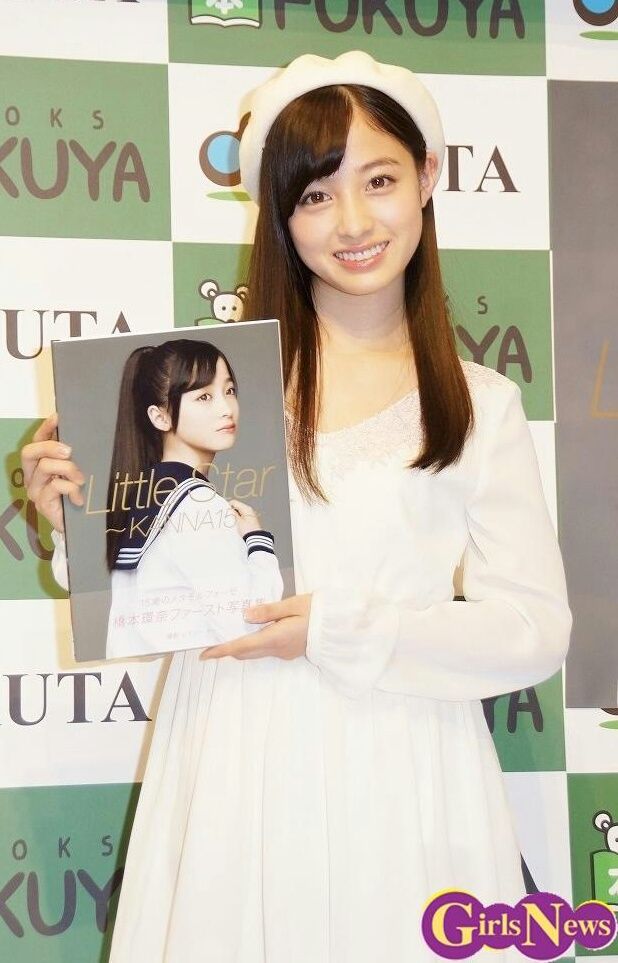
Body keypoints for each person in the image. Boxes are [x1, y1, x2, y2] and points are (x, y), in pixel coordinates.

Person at [21, 50, 572, 962]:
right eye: (315, 194)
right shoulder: (213, 396)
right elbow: (164, 592)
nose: (352, 221)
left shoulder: (480, 402)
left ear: (427, 178)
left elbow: (534, 629)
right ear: (279, 214)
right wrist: (79, 528)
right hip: (234, 770)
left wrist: (339, 629)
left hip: (406, 774)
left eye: (379, 180)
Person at [102, 338, 284, 659]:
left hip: (168, 676)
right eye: (204, 396)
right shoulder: (199, 505)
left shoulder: (143, 494)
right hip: (208, 678)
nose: (226, 409)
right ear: (160, 417)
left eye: (229, 391)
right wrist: (257, 543)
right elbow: (250, 626)